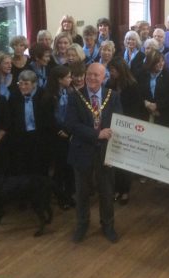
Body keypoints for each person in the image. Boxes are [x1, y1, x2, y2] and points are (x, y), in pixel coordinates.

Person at [66, 63, 122, 243]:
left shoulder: (113, 96)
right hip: (82, 151)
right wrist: (97, 134)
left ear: (104, 78)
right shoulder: (75, 97)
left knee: (106, 191)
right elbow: (71, 125)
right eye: (89, 74)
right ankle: (82, 225)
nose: (91, 78)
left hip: (106, 151)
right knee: (82, 192)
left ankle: (108, 226)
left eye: (96, 75)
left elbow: (119, 121)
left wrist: (108, 134)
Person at [106, 57, 144, 205]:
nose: (111, 73)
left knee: (125, 160)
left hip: (128, 125)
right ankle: (116, 188)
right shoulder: (110, 84)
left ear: (120, 70)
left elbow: (137, 108)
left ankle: (125, 191)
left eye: (113, 70)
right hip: (113, 125)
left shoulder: (132, 85)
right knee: (114, 159)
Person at [7, 70, 54, 177]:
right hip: (21, 138)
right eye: (20, 83)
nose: (23, 87)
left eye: (26, 84)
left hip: (40, 137)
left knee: (40, 168)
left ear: (34, 84)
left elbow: (49, 121)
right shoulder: (14, 96)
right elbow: (12, 119)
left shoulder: (45, 96)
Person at [45, 65, 75, 210]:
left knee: (69, 167)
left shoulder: (69, 92)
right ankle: (60, 196)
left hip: (68, 134)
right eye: (68, 77)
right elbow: (48, 118)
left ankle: (69, 195)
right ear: (59, 79)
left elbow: (72, 113)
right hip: (55, 136)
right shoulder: (49, 96)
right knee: (59, 168)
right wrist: (59, 131)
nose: (71, 79)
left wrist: (68, 130)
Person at [137, 50, 169, 127]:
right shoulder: (141, 73)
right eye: (158, 62)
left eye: (162, 61)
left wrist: (157, 105)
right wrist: (146, 103)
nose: (161, 64)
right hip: (143, 114)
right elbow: (136, 93)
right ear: (151, 63)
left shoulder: (168, 74)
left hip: (162, 115)